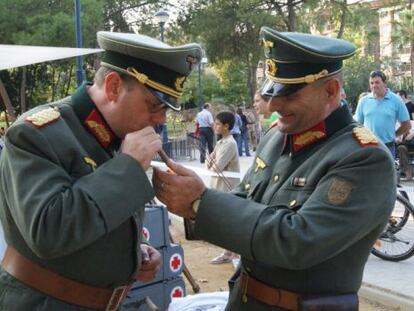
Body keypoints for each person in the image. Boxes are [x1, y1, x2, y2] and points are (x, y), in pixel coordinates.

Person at [152, 27, 396, 310]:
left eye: (290, 93)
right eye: (273, 91)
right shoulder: (277, 137)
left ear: (330, 91)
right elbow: (244, 199)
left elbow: (300, 241)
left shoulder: (364, 158)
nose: (274, 104)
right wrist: (192, 202)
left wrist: (200, 203)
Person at [0, 31, 202, 310]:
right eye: (155, 105)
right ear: (114, 86)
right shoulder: (35, 133)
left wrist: (131, 254)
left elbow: (97, 222)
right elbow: (48, 231)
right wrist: (127, 168)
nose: (161, 120)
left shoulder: (118, 137)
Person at [206, 111, 241, 264]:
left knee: (228, 223)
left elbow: (216, 166)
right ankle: (229, 252)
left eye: (218, 124)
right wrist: (212, 162)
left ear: (226, 126)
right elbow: (209, 164)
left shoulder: (230, 144)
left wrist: (212, 162)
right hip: (217, 186)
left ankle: (232, 254)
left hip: (227, 188)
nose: (215, 126)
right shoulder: (220, 143)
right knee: (224, 223)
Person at [354, 70, 411, 158]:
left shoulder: (396, 100)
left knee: (388, 172)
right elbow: (357, 125)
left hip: (388, 147)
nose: (374, 86)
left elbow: (407, 125)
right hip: (367, 147)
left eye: (377, 82)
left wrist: (394, 135)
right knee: (369, 172)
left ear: (385, 83)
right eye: (371, 83)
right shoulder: (363, 101)